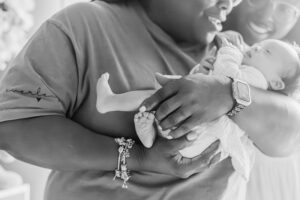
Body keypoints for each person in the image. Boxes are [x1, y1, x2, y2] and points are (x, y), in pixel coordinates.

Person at [0, 0, 300, 200]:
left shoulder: (233, 53)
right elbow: (13, 127)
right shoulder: (85, 26)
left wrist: (227, 93)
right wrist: (136, 157)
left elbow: (290, 132)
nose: (231, 2)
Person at [96, 38, 300, 181]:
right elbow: (204, 86)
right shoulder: (251, 77)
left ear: (276, 83)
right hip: (196, 140)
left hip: (203, 130)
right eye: (259, 45)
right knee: (162, 104)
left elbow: (227, 76)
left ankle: (111, 102)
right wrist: (201, 72)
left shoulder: (256, 80)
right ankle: (149, 135)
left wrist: (229, 53)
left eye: (266, 52)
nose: (255, 48)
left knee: (153, 96)